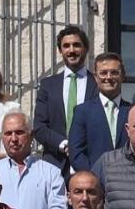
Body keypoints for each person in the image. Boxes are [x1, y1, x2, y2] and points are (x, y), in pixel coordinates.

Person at [32, 23, 98, 170]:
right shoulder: (48, 85)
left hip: (89, 163)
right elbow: (39, 128)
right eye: (66, 46)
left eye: (76, 45)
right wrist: (66, 145)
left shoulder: (97, 84)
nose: (71, 50)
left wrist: (79, 147)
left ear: (86, 49)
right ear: (60, 51)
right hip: (55, 164)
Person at [0, 111, 70, 209]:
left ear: (31, 135)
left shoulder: (51, 172)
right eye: (8, 133)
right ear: (1, 137)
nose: (13, 139)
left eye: (19, 133)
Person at [67, 52, 130, 174]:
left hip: (127, 180)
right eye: (103, 73)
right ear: (95, 77)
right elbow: (76, 152)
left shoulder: (132, 111)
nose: (109, 77)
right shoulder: (82, 111)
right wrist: (94, 177)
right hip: (94, 180)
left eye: (114, 72)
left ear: (122, 76)